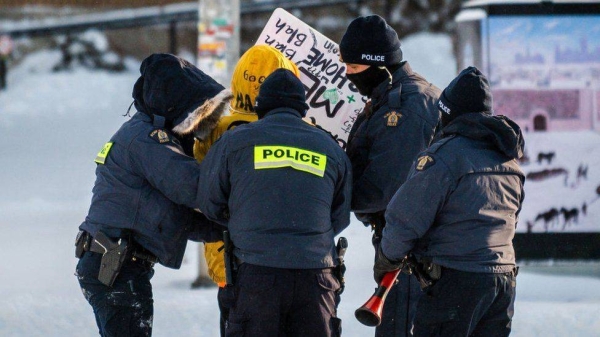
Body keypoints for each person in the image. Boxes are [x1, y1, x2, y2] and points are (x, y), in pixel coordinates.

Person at [74, 53, 232, 336]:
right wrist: (246, 187)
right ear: (177, 106)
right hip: (115, 267)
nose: (200, 123)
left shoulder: (145, 135)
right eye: (197, 113)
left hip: (113, 264)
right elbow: (194, 188)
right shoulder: (148, 140)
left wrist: (226, 230)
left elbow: (174, 218)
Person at [197, 68, 352, 337]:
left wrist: (245, 224)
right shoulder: (330, 148)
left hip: (256, 278)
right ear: (302, 108)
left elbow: (209, 204)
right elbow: (340, 217)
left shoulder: (233, 142)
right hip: (316, 281)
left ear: (261, 107)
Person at [374, 66, 525, 336]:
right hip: (503, 282)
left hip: (457, 282)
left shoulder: (444, 157)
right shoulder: (508, 159)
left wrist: (388, 257)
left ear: (447, 113)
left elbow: (405, 218)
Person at [338, 14, 441, 336]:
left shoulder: (406, 108)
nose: (347, 74)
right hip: (406, 241)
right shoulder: (396, 95)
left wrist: (334, 198)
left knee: (399, 326)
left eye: (353, 68)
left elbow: (387, 187)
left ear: (378, 65)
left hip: (412, 248)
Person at [192, 44, 300, 336]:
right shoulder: (302, 133)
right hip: (295, 267)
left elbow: (200, 192)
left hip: (229, 262)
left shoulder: (215, 130)